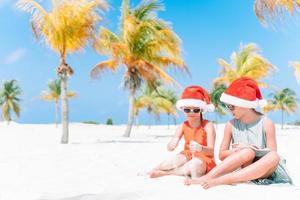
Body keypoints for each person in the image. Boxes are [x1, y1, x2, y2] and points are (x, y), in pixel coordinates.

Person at [184, 77, 293, 189]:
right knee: (247, 152)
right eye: (227, 106)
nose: (229, 110)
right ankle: (208, 177)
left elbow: (271, 152)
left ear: (244, 105)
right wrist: (238, 150)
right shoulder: (231, 125)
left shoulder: (266, 123)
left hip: (263, 170)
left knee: (274, 156)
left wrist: (252, 149)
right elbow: (221, 155)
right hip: (242, 168)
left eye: (231, 106)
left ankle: (223, 180)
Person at [149, 86, 216, 178]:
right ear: (183, 110)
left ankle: (167, 173)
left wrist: (200, 148)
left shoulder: (208, 125)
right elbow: (170, 147)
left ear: (201, 110)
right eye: (187, 110)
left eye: (196, 110)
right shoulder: (182, 126)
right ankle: (154, 170)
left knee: (195, 164)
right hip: (187, 155)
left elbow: (211, 150)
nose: (191, 112)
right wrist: (171, 145)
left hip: (204, 158)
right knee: (169, 163)